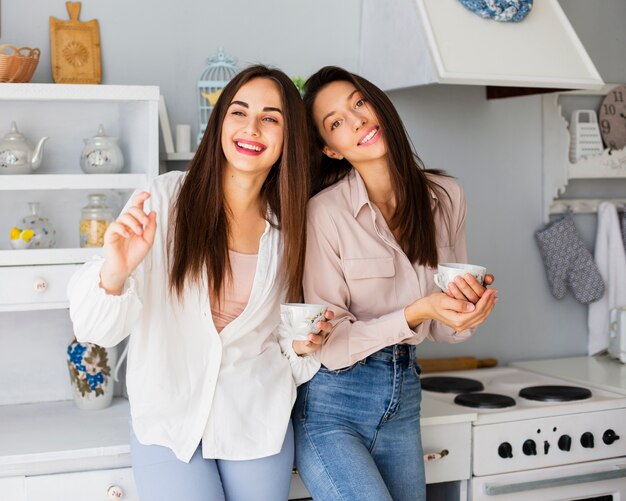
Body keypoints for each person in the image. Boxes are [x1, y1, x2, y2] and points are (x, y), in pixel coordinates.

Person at [67, 65, 332, 501]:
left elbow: (285, 336)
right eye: (238, 112)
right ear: (219, 123)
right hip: (168, 419)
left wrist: (303, 347)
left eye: (271, 118)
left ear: (289, 138)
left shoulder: (295, 226)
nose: (251, 128)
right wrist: (115, 270)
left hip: (256, 419)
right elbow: (94, 331)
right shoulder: (165, 200)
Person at [292, 66, 498, 501]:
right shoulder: (324, 214)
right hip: (333, 408)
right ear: (331, 149)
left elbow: (443, 328)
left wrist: (467, 313)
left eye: (359, 103)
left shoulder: (445, 196)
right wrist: (419, 310)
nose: (358, 121)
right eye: (336, 123)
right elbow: (330, 345)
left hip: (404, 400)